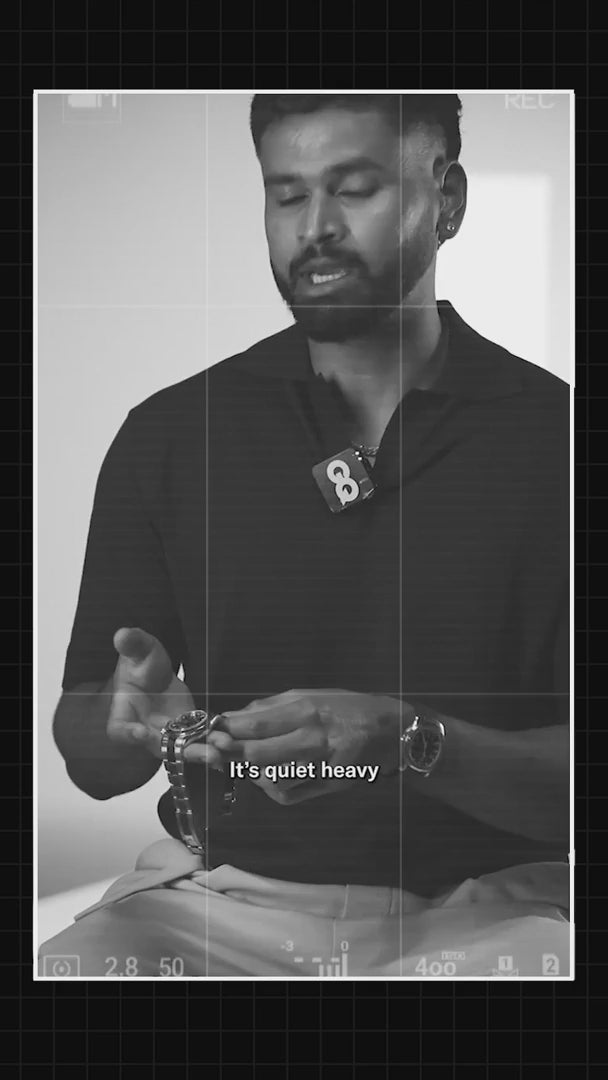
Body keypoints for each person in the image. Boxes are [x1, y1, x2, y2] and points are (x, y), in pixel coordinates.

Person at [39, 94, 570, 978]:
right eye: (286, 195)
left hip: (495, 911)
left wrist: (407, 739)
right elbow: (90, 758)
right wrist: (119, 721)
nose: (314, 227)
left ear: (447, 200)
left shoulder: (561, 441)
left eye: (353, 189)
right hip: (218, 904)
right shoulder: (171, 435)